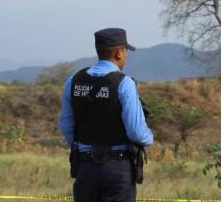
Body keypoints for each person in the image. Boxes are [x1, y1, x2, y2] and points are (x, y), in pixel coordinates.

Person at [60, 28, 153, 202]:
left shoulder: (73, 82)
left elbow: (66, 128)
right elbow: (136, 132)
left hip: (85, 167)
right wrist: (150, 137)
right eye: (126, 51)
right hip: (118, 169)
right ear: (119, 53)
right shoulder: (124, 83)